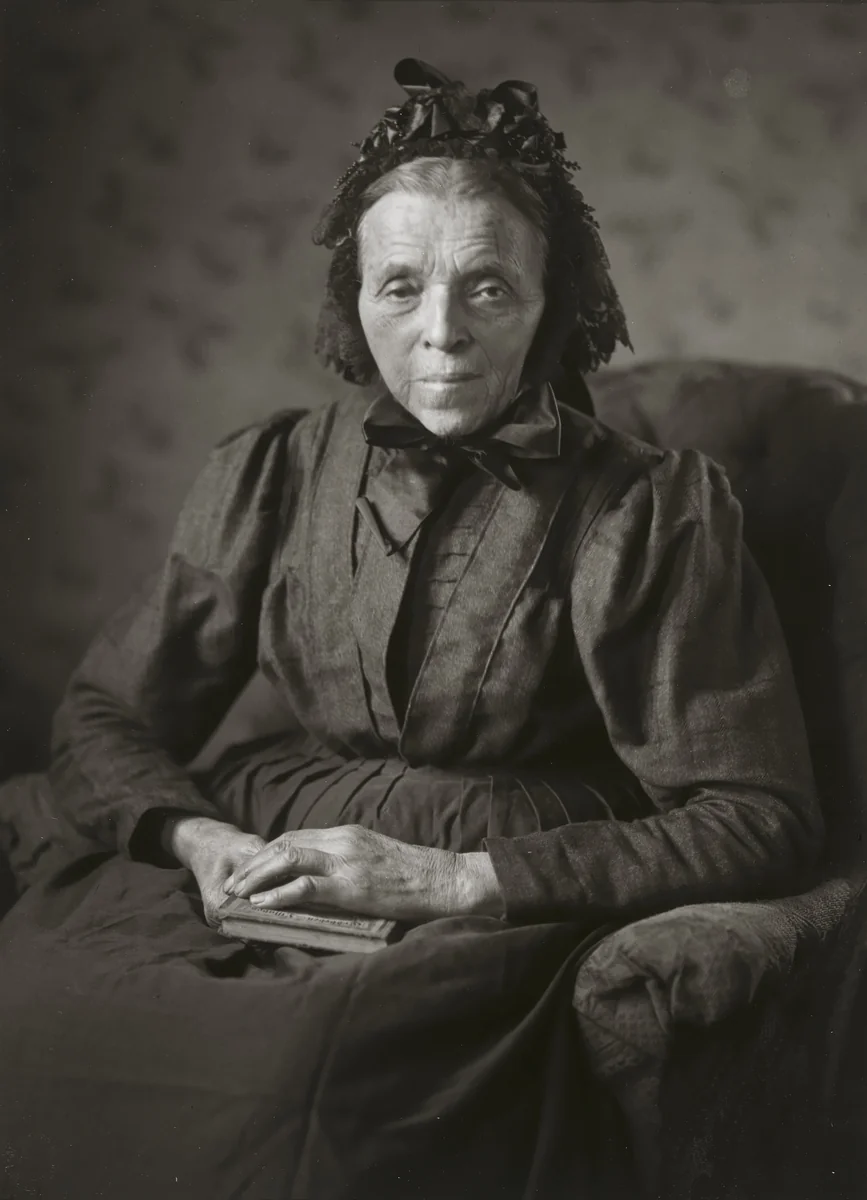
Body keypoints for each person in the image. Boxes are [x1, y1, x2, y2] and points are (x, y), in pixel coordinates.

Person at [0, 59, 822, 1200]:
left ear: (552, 303)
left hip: (493, 892)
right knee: (45, 1011)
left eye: (488, 288)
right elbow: (107, 712)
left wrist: (445, 880)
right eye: (400, 288)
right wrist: (200, 843)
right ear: (356, 301)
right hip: (265, 847)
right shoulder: (276, 470)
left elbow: (758, 815)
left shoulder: (648, 510)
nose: (441, 333)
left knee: (296, 1091)